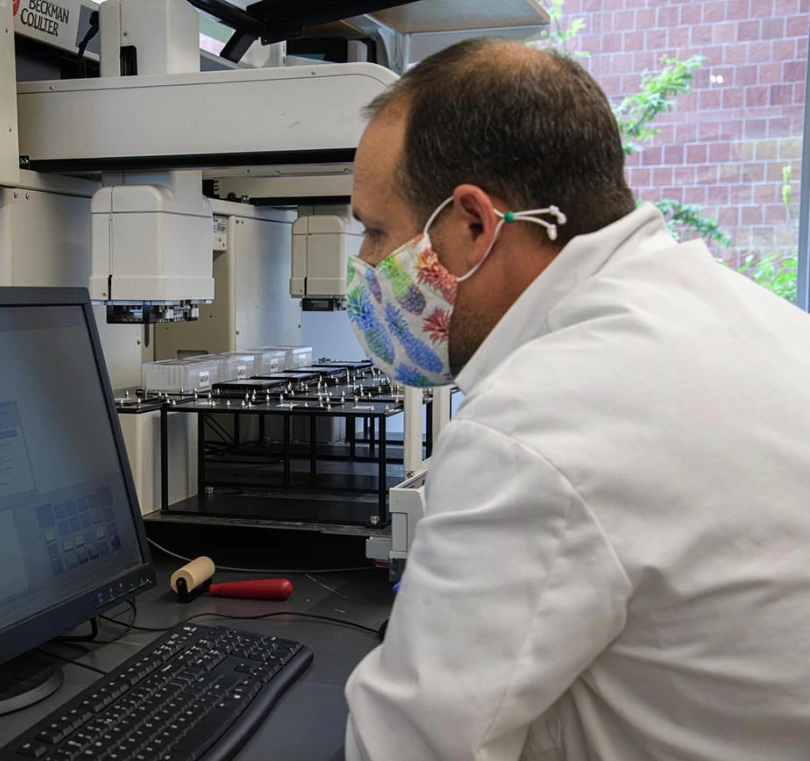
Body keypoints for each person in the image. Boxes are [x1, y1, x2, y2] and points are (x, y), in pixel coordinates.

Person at [343, 37, 810, 761]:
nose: (368, 267)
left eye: (377, 231)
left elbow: (405, 747)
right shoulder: (755, 320)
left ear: (473, 224)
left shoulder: (537, 428)